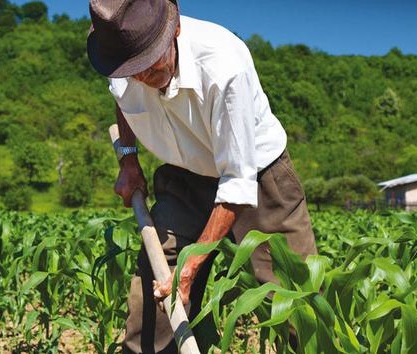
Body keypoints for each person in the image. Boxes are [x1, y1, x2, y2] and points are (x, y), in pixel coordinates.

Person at [87, 0, 318, 352]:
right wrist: (129, 160)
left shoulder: (224, 66)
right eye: (132, 70)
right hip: (184, 174)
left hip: (257, 177)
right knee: (157, 285)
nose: (141, 77)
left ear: (175, 29)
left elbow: (237, 183)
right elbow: (123, 100)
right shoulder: (118, 54)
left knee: (293, 300)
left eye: (149, 63)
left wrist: (191, 268)